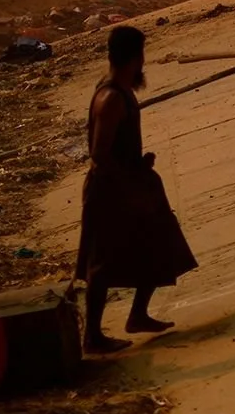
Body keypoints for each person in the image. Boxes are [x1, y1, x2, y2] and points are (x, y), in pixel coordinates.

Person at [77, 25, 198, 354]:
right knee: (102, 264)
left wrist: (139, 165)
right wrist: (131, 185)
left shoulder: (120, 90)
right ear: (135, 57)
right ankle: (92, 337)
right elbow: (100, 155)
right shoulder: (111, 98)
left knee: (158, 242)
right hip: (111, 191)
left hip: (130, 184)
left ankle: (138, 315)